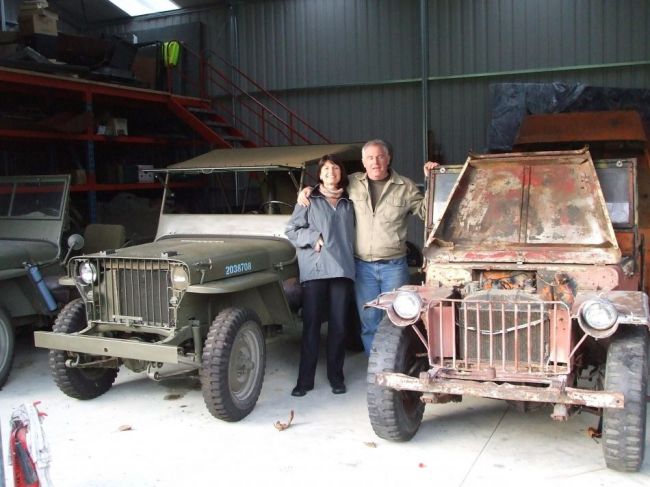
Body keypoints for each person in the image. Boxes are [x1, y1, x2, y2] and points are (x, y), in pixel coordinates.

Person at [298, 139, 438, 355]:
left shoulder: (405, 186)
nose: (375, 162)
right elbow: (329, 186)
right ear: (363, 161)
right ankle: (376, 370)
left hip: (394, 266)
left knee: (398, 320)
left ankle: (393, 367)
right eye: (370, 158)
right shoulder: (352, 182)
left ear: (388, 158)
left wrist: (432, 182)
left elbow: (427, 213)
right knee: (369, 322)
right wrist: (308, 191)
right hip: (362, 268)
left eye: (380, 156)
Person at [285, 155, 356, 397]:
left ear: (341, 172)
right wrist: (312, 238)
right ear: (320, 174)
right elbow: (291, 230)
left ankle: (336, 377)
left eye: (335, 167)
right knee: (312, 325)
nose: (330, 171)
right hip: (315, 269)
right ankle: (305, 381)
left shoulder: (351, 199)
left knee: (338, 325)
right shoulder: (308, 199)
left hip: (343, 269)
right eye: (326, 168)